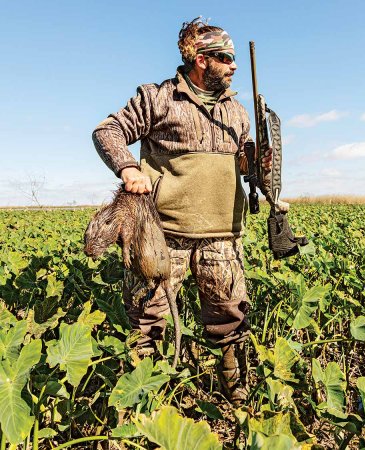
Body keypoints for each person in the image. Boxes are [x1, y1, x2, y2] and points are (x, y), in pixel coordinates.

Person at [92, 17, 268, 404]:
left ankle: (235, 391)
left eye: (236, 58)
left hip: (222, 236)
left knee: (229, 318)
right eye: (226, 57)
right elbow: (108, 131)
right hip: (161, 236)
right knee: (147, 319)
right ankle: (143, 403)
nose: (234, 65)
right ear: (201, 59)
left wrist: (254, 163)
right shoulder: (158, 98)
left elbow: (242, 165)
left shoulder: (238, 111)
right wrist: (128, 167)